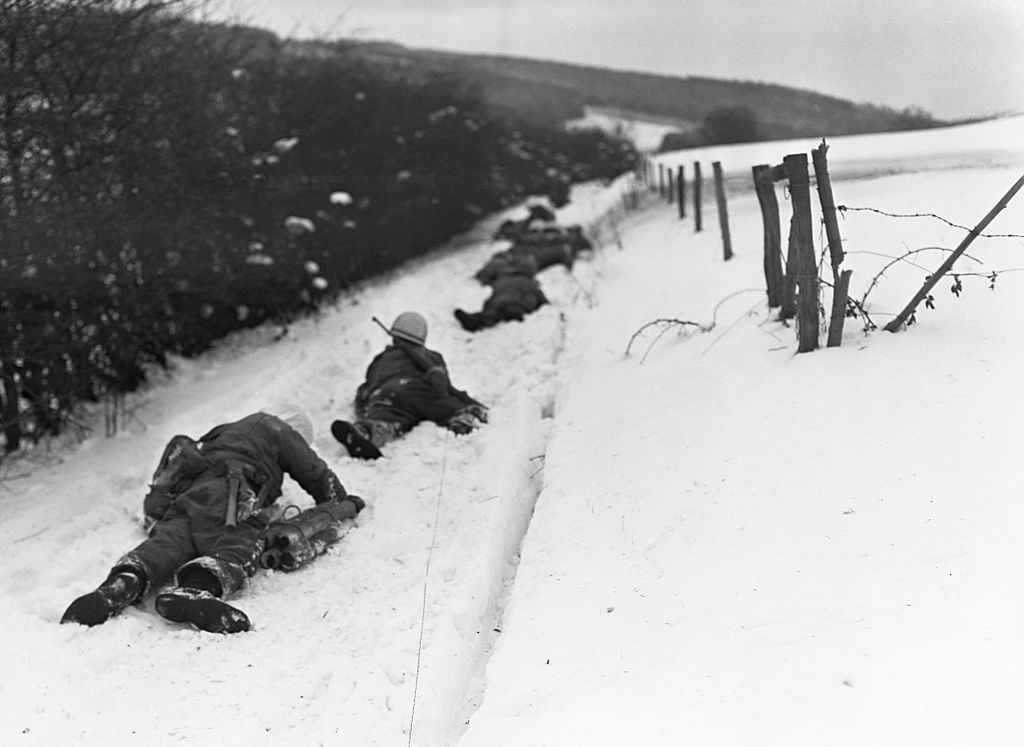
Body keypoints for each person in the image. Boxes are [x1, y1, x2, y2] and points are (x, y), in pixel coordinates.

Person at [61, 404, 353, 634]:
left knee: (167, 544)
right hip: (228, 497)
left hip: (189, 498)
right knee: (238, 543)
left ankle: (120, 585)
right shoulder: (274, 426)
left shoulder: (222, 434)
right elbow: (313, 470)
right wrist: (341, 500)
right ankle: (196, 591)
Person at [330, 312, 488, 459]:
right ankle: (462, 419)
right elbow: (444, 388)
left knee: (388, 420)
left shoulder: (381, 358)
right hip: (414, 390)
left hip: (382, 395)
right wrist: (466, 403)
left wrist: (364, 406)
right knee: (446, 406)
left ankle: (365, 431)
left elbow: (368, 384)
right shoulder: (432, 356)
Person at [454, 271, 549, 332]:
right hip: (516, 304)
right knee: (512, 308)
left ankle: (474, 320)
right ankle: (512, 314)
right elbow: (544, 303)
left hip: (495, 302)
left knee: (490, 313)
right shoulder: (531, 284)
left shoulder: (503, 281)